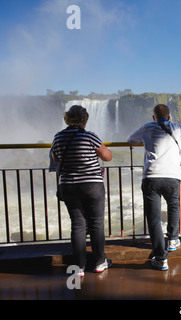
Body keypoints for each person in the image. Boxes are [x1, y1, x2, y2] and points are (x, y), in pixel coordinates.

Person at [127, 104, 181, 271]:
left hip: (152, 177)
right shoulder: (179, 128)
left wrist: (146, 141)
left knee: (154, 219)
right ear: (169, 117)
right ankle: (173, 239)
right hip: (172, 177)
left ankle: (161, 258)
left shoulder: (148, 127)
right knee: (173, 206)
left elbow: (130, 139)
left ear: (154, 117)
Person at [51, 105, 113, 276]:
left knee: (78, 225)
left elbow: (55, 158)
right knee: (96, 224)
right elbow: (107, 156)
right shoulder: (89, 136)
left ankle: (79, 267)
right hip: (91, 185)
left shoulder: (58, 137)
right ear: (85, 119)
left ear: (67, 119)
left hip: (68, 186)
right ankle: (100, 262)